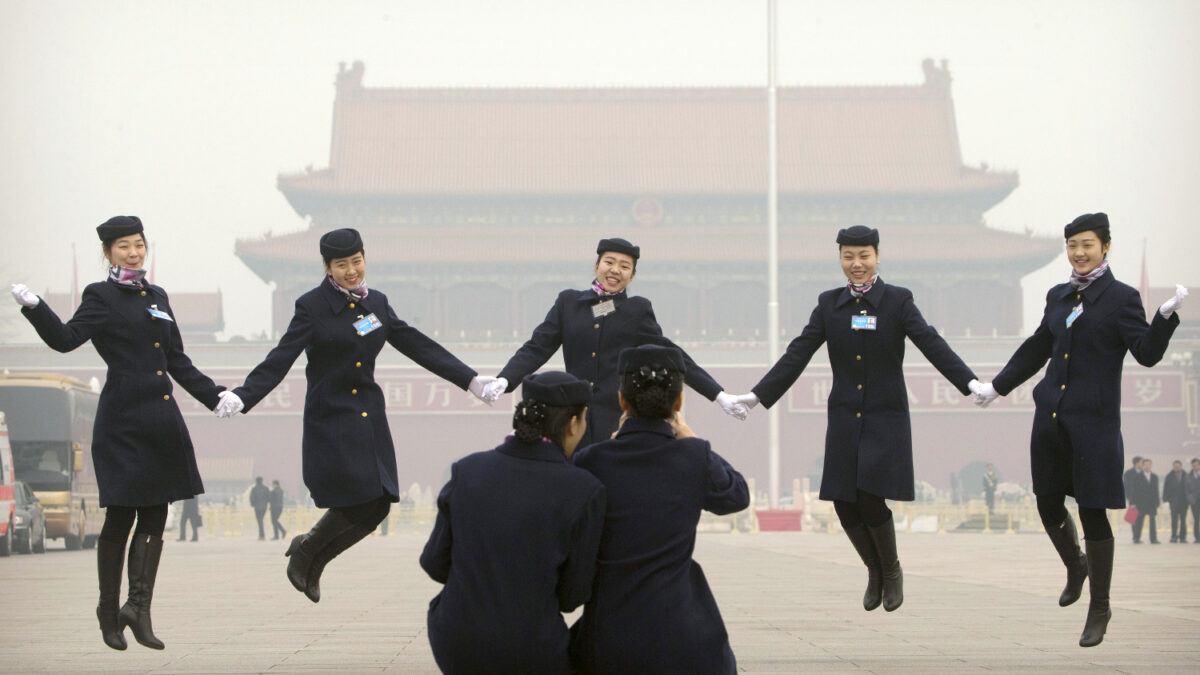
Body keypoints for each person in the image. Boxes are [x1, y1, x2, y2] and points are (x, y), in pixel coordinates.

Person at [213, 228, 495, 603]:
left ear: (365, 259)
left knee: (379, 502)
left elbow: (416, 344)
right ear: (327, 268)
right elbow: (280, 358)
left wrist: (471, 381)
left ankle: (311, 552)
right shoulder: (311, 307)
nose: (351, 271)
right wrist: (243, 396)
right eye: (341, 265)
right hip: (331, 417)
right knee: (358, 498)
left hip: (369, 416)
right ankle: (309, 554)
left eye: (357, 262)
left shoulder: (376, 303)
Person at [729, 225, 979, 613]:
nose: (856, 264)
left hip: (885, 417)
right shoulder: (830, 305)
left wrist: (969, 382)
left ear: (877, 256)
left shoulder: (897, 301)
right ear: (840, 259)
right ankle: (873, 570)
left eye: (863, 256)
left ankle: (891, 570)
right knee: (844, 502)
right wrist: (759, 395)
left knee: (869, 494)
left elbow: (930, 342)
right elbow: (799, 352)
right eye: (848, 256)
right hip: (845, 416)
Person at [11, 215, 230, 650]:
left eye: (139, 245)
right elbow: (66, 339)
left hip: (161, 420)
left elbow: (177, 360)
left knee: (155, 515)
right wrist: (36, 307)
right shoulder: (101, 296)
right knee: (121, 516)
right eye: (124, 246)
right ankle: (108, 609)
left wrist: (215, 395)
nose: (134, 252)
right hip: (122, 423)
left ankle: (139, 608)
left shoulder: (157, 296)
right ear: (108, 252)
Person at [972, 212, 1186, 647]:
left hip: (1094, 424)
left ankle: (1100, 607)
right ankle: (1075, 564)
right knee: (1048, 502)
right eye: (1072, 246)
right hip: (1050, 417)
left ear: (1105, 247)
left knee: (1092, 513)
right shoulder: (1059, 296)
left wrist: (1163, 317)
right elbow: (1037, 348)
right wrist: (998, 386)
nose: (1079, 253)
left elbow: (1145, 353)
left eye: (1087, 245)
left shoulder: (1122, 298)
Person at [569, 345, 749, 674]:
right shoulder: (693, 457)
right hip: (686, 637)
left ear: (622, 401)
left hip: (609, 637)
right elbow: (735, 496)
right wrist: (691, 438)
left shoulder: (591, 461)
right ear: (678, 402)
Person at [481, 237, 748, 448]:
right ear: (597, 266)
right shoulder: (569, 303)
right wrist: (505, 379)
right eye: (610, 262)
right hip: (573, 420)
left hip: (617, 423)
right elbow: (537, 347)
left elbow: (672, 355)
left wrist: (719, 394)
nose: (615, 270)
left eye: (625, 266)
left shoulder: (636, 311)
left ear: (631, 277)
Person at [421, 371, 605, 674]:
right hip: (532, 648)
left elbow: (433, 563)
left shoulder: (467, 471)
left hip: (455, 642)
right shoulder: (584, 490)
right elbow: (573, 595)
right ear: (573, 424)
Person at [1132, 459, 1161, 545]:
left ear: (1151, 466)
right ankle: (1137, 538)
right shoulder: (1137, 477)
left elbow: (1156, 490)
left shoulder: (1155, 477)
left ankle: (1153, 538)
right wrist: (1133, 503)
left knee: (1152, 521)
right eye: (1145, 465)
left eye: (1149, 464)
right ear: (1143, 466)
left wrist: (1157, 502)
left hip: (1152, 503)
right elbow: (1134, 491)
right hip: (1141, 503)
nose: (1147, 466)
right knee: (1139, 521)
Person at [1162, 460, 1189, 543]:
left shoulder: (1186, 476)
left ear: (1181, 466)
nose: (1176, 468)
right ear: (1173, 467)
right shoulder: (1169, 476)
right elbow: (1166, 488)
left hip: (1184, 502)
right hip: (1173, 501)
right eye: (1175, 466)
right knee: (1174, 520)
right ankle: (1174, 536)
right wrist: (1166, 498)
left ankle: (1182, 537)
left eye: (1178, 466)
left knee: (1183, 520)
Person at [1122, 455, 1144, 539]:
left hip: (1142, 500)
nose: (1142, 464)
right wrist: (1129, 499)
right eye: (1141, 462)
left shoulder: (1143, 473)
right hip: (1132, 499)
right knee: (1133, 519)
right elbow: (1126, 487)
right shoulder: (1129, 473)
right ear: (1137, 463)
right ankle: (1135, 537)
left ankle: (1138, 536)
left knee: (1141, 518)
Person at [249, 476, 270, 541]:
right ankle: (261, 535)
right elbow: (269, 497)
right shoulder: (266, 488)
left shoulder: (254, 489)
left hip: (257, 507)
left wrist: (253, 504)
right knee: (261, 520)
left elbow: (251, 498)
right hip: (264, 507)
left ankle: (262, 535)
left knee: (259, 520)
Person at [1186, 458, 1200, 543]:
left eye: (1196, 465)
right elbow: (1186, 490)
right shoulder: (1189, 477)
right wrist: (1190, 499)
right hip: (1194, 501)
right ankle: (1197, 537)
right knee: (1196, 519)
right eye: (1193, 465)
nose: (1195, 467)